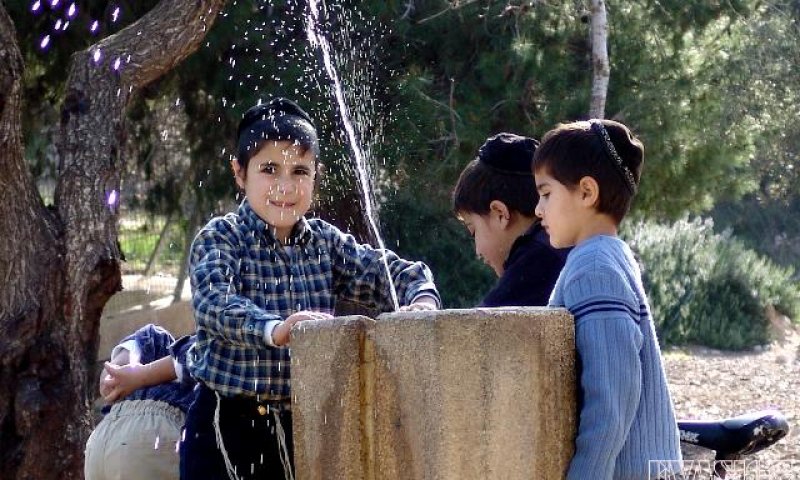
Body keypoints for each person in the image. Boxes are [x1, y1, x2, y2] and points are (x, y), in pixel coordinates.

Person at [181, 97, 441, 480]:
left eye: (299, 171)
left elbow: (394, 273)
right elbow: (214, 303)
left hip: (301, 427)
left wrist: (421, 301)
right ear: (240, 173)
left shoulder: (324, 243)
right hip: (224, 425)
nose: (285, 186)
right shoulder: (223, 237)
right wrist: (275, 328)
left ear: (315, 175)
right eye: (269, 169)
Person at [532, 119, 682, 479]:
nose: (538, 210)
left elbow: (611, 399)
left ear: (586, 192)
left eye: (546, 193)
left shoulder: (593, 267)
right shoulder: (611, 256)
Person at [452, 132, 569, 307]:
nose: (477, 251)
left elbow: (480, 330)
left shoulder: (537, 260)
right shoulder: (551, 246)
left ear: (500, 213)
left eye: (473, 230)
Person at [85, 324, 195, 480]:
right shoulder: (220, 344)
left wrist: (114, 374)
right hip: (152, 433)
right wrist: (145, 373)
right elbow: (205, 352)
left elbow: (113, 371)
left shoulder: (155, 342)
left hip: (101, 440)